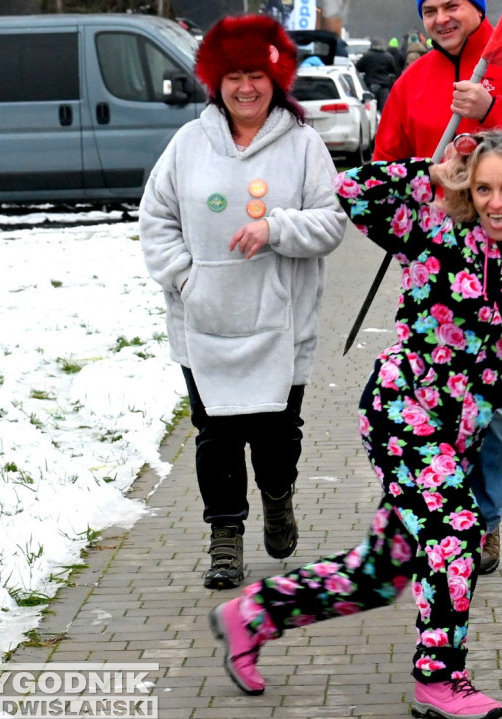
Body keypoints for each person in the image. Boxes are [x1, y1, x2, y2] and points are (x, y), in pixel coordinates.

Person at [209, 129, 502, 719]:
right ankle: (439, 679)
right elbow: (355, 190)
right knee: (457, 531)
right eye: (484, 188)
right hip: (401, 412)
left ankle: (254, 615)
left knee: (380, 574)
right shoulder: (433, 233)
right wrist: (437, 173)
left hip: (460, 437)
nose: (496, 202)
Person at [139, 15, 348, 589]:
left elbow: (332, 222)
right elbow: (155, 218)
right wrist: (185, 278)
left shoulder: (304, 145)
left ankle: (278, 496)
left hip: (280, 320)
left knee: (277, 437)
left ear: (275, 77)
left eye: (256, 74)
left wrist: (277, 229)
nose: (246, 88)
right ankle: (225, 537)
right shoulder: (187, 144)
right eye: (233, 76)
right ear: (216, 81)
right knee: (216, 436)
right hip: (205, 319)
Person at [374, 0, 502, 575]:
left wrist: (497, 110)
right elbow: (386, 166)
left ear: (478, 9)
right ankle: (439, 512)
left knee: (492, 406)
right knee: (430, 400)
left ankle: (485, 523)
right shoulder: (413, 81)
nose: (442, 18)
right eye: (431, 8)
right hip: (435, 269)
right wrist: (422, 186)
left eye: (454, 6)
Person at [354, 37, 397, 111]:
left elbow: (358, 67)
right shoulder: (388, 56)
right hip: (384, 86)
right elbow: (393, 70)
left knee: (370, 108)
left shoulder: (367, 56)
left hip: (370, 84)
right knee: (385, 109)